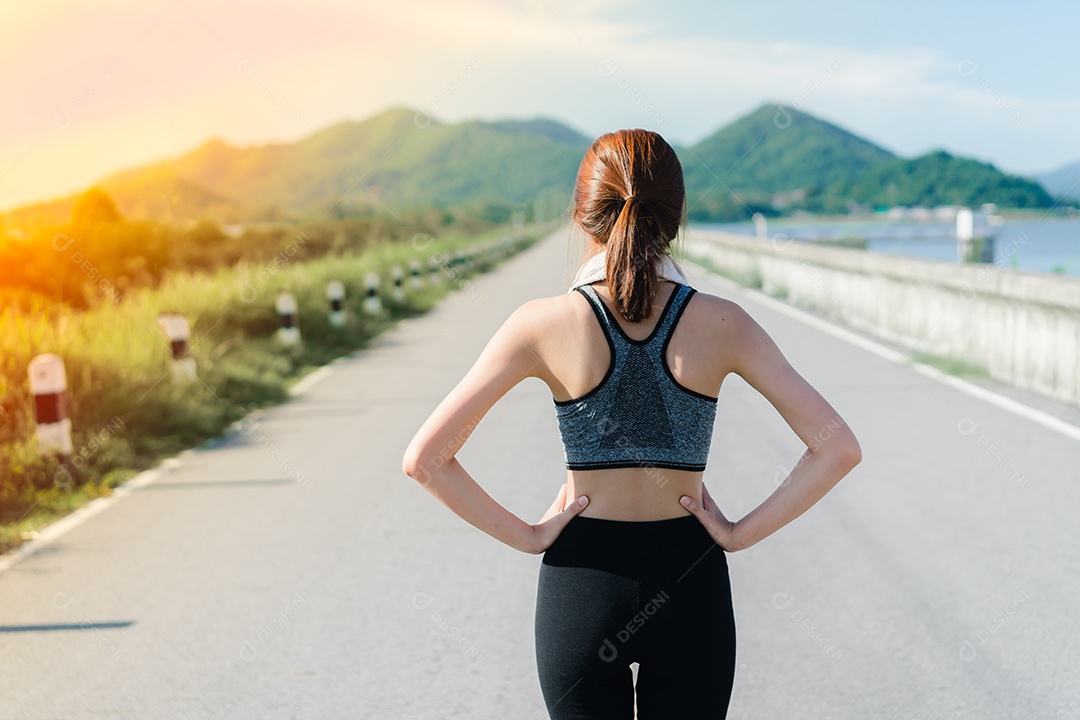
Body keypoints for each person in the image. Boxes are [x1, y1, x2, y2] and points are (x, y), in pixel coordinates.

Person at [401, 128, 862, 718]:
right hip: (690, 581)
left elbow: (425, 460)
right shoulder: (724, 323)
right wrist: (738, 532)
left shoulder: (541, 324)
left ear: (581, 217)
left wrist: (530, 534)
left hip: (581, 586)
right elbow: (837, 448)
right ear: (675, 217)